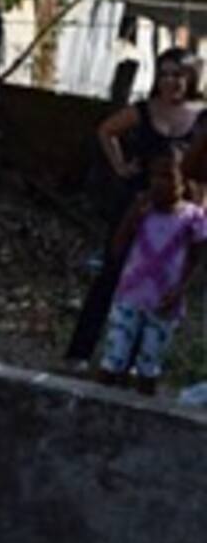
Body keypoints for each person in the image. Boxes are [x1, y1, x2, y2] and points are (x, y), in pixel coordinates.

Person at [64, 46, 206, 369]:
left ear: (192, 77)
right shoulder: (143, 110)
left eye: (180, 74)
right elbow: (106, 131)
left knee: (162, 280)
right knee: (112, 271)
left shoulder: (202, 116)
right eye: (166, 74)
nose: (172, 81)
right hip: (137, 204)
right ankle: (80, 352)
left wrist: (201, 207)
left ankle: (136, 361)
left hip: (177, 214)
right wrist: (119, 166)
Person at [98, 146, 207, 396]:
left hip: (165, 302)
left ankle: (142, 419)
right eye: (155, 176)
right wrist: (134, 217)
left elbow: (195, 260)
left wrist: (180, 291)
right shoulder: (142, 209)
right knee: (113, 359)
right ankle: (96, 409)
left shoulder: (192, 218)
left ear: (182, 180)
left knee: (148, 367)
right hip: (130, 297)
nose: (159, 183)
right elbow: (117, 249)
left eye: (168, 176)